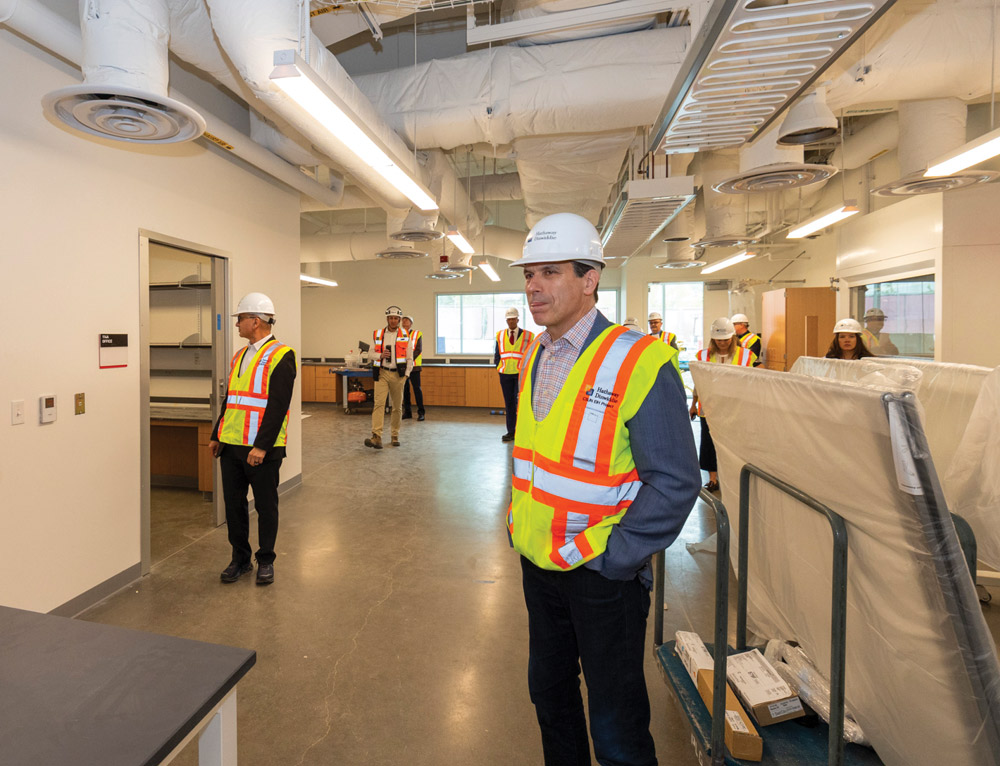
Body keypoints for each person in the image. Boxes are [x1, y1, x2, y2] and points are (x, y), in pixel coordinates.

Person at [506, 212, 701, 766]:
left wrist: (616, 557)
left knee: (615, 722)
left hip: (601, 573)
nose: (533, 286)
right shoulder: (533, 353)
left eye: (549, 272)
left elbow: (675, 480)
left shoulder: (639, 360)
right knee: (550, 696)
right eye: (528, 274)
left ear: (589, 279)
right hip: (539, 563)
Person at [210, 293, 296, 586]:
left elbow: (278, 406)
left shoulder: (282, 355)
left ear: (255, 321)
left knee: (265, 506)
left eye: (240, 319)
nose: (236, 325)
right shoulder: (240, 355)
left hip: (262, 450)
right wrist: (216, 435)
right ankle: (240, 559)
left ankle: (266, 560)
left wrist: (261, 446)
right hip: (231, 445)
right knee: (234, 506)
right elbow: (231, 399)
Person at [689, 317, 756, 493]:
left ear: (733, 338)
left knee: (734, 443)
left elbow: (753, 381)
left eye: (726, 340)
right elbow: (698, 382)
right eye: (719, 340)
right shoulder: (703, 355)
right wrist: (693, 404)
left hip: (735, 408)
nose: (722, 343)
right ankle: (713, 479)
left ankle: (733, 476)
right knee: (709, 444)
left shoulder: (745, 355)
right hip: (709, 408)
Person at [364, 305, 413, 450]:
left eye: (395, 318)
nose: (393, 321)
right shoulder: (378, 335)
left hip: (398, 375)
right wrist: (380, 355)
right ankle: (376, 437)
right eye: (390, 318)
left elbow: (410, 358)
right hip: (382, 373)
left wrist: (406, 375)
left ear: (399, 320)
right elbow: (370, 354)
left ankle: (395, 435)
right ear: (387, 318)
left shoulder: (405, 335)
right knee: (379, 404)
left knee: (397, 407)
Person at [494, 307, 535, 443]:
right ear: (507, 321)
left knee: (521, 403)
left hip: (520, 374)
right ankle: (511, 431)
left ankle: (522, 431)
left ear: (518, 319)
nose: (511, 321)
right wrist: (497, 366)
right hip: (505, 374)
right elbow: (497, 354)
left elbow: (532, 354)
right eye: (509, 319)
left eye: (513, 319)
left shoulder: (528, 336)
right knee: (509, 403)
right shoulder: (500, 335)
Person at [401, 314, 425, 421]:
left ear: (411, 323)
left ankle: (421, 412)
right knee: (405, 390)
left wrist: (409, 359)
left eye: (407, 320)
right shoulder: (398, 334)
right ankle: (408, 412)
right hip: (403, 366)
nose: (405, 322)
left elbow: (418, 349)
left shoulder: (417, 334)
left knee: (417, 389)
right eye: (403, 320)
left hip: (414, 367)